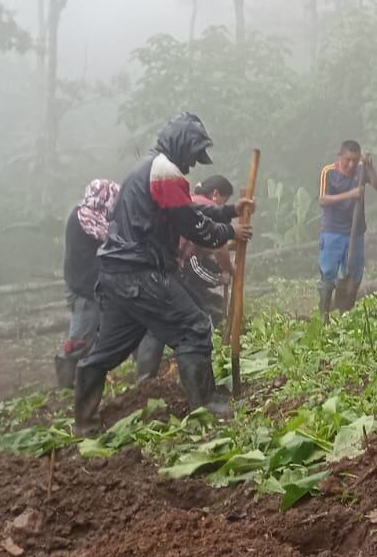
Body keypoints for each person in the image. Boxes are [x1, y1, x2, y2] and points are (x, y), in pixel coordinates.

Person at [73, 113, 253, 435]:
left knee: (106, 352)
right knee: (195, 327)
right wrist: (228, 231)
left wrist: (227, 211)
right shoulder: (165, 171)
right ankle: (205, 404)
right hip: (142, 272)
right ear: (183, 145)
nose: (193, 165)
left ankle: (84, 423)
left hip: (116, 274)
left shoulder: (148, 168)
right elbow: (191, 225)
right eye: (194, 155)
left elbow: (185, 210)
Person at [134, 175, 238, 383]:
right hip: (169, 270)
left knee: (161, 320)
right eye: (224, 201)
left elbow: (202, 242)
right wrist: (229, 271)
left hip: (154, 268)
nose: (223, 205)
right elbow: (218, 246)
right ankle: (196, 380)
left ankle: (145, 376)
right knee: (195, 320)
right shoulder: (206, 206)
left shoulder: (191, 202)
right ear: (216, 194)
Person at [55, 179, 119, 388]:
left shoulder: (86, 215)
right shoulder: (87, 219)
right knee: (80, 339)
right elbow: (114, 240)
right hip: (84, 288)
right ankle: (66, 382)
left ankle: (78, 379)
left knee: (90, 335)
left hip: (87, 286)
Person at [317, 140, 377, 321]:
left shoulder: (361, 171)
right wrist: (350, 194)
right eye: (348, 160)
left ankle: (345, 313)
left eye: (355, 160)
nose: (351, 164)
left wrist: (370, 167)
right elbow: (323, 200)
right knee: (328, 272)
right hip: (333, 231)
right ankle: (324, 314)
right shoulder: (329, 172)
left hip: (356, 232)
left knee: (353, 274)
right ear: (340, 155)